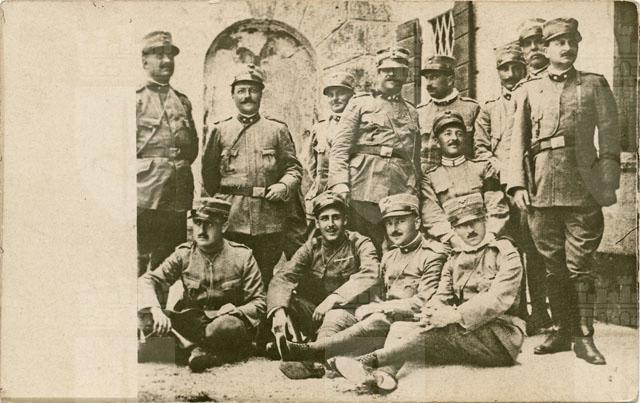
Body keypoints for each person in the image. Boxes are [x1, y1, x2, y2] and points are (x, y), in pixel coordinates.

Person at [506, 18, 620, 365]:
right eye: (559, 43)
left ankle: (584, 337)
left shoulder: (594, 84)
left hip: (583, 186)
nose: (567, 48)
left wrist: (607, 181)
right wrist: (517, 184)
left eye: (572, 42)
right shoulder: (529, 89)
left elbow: (610, 135)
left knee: (580, 265)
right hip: (541, 188)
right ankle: (560, 329)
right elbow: (517, 142)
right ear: (545, 48)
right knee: (552, 265)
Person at [332, 193, 524, 393]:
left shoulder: (505, 252)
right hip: (467, 337)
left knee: (439, 331)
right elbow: (442, 295)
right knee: (402, 326)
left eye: (474, 222)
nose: (469, 230)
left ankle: (364, 361)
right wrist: (431, 312)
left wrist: (453, 315)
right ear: (454, 229)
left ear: (486, 220)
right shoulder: (455, 258)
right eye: (461, 225)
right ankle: (383, 376)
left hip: (500, 337)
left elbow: (497, 299)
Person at [278, 194, 448, 373]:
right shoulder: (390, 256)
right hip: (383, 318)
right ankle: (318, 364)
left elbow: (423, 302)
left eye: (400, 221)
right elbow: (379, 292)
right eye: (389, 223)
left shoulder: (433, 255)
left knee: (376, 320)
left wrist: (380, 308)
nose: (394, 229)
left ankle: (311, 353)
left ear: (418, 222)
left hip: (408, 322)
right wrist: (366, 306)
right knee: (337, 315)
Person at [201, 63, 303, 288]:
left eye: (253, 90)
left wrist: (284, 186)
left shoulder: (277, 130)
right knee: (232, 276)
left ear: (261, 94)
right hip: (232, 219)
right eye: (241, 91)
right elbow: (208, 176)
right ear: (233, 95)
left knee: (264, 274)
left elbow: (294, 169)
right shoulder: (220, 130)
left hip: (269, 219)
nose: (247, 96)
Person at [474, 44, 551, 334]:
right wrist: (505, 173)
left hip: (530, 187)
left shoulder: (537, 98)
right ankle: (516, 311)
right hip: (499, 193)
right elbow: (480, 150)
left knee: (535, 250)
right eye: (504, 68)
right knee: (507, 250)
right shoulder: (488, 109)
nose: (510, 74)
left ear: (524, 68)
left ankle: (540, 312)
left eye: (516, 68)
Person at [138, 198, 266, 372]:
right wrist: (156, 310)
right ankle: (205, 354)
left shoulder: (242, 256)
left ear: (224, 226)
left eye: (209, 224)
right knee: (146, 319)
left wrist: (237, 310)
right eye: (197, 223)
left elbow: (259, 301)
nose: (201, 230)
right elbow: (148, 280)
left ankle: (183, 351)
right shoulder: (183, 254)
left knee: (227, 327)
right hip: (192, 323)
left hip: (224, 323)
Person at [267, 192, 380, 364]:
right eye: (325, 219)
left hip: (349, 313)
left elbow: (371, 273)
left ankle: (310, 355)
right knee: (287, 301)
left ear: (345, 220)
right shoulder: (312, 247)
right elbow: (284, 277)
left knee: (333, 321)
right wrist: (278, 311)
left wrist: (334, 298)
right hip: (317, 314)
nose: (331, 224)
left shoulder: (360, 243)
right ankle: (293, 344)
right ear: (317, 223)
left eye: (336, 218)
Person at [327, 46, 421, 251]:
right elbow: (340, 147)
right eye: (387, 70)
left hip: (399, 189)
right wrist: (340, 183)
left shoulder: (412, 112)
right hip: (362, 189)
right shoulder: (360, 103)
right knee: (361, 248)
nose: (392, 74)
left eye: (398, 71)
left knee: (395, 248)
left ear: (406, 75)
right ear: (378, 72)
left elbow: (414, 158)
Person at [137, 31, 198, 277]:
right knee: (138, 260)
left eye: (170, 56)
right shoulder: (136, 100)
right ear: (145, 61)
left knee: (169, 262)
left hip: (177, 195)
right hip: (144, 196)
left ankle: (159, 302)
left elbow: (191, 149)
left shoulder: (182, 101)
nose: (166, 61)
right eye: (159, 55)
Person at [421, 110, 508, 249]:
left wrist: (490, 235)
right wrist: (453, 240)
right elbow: (432, 216)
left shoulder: (483, 168)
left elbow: (496, 206)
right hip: (452, 243)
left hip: (489, 238)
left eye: (459, 134)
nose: (454, 138)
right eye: (447, 134)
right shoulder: (430, 178)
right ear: (437, 141)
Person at [303, 72, 356, 230]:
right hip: (322, 196)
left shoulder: (361, 126)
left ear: (352, 96)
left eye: (340, 93)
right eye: (331, 95)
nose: (335, 99)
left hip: (352, 198)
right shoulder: (319, 128)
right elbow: (311, 164)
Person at [417, 55, 479, 174]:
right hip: (426, 178)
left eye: (434, 77)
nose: (428, 84)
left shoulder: (471, 108)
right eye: (427, 78)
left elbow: (479, 149)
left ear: (450, 80)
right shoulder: (420, 111)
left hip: (461, 175)